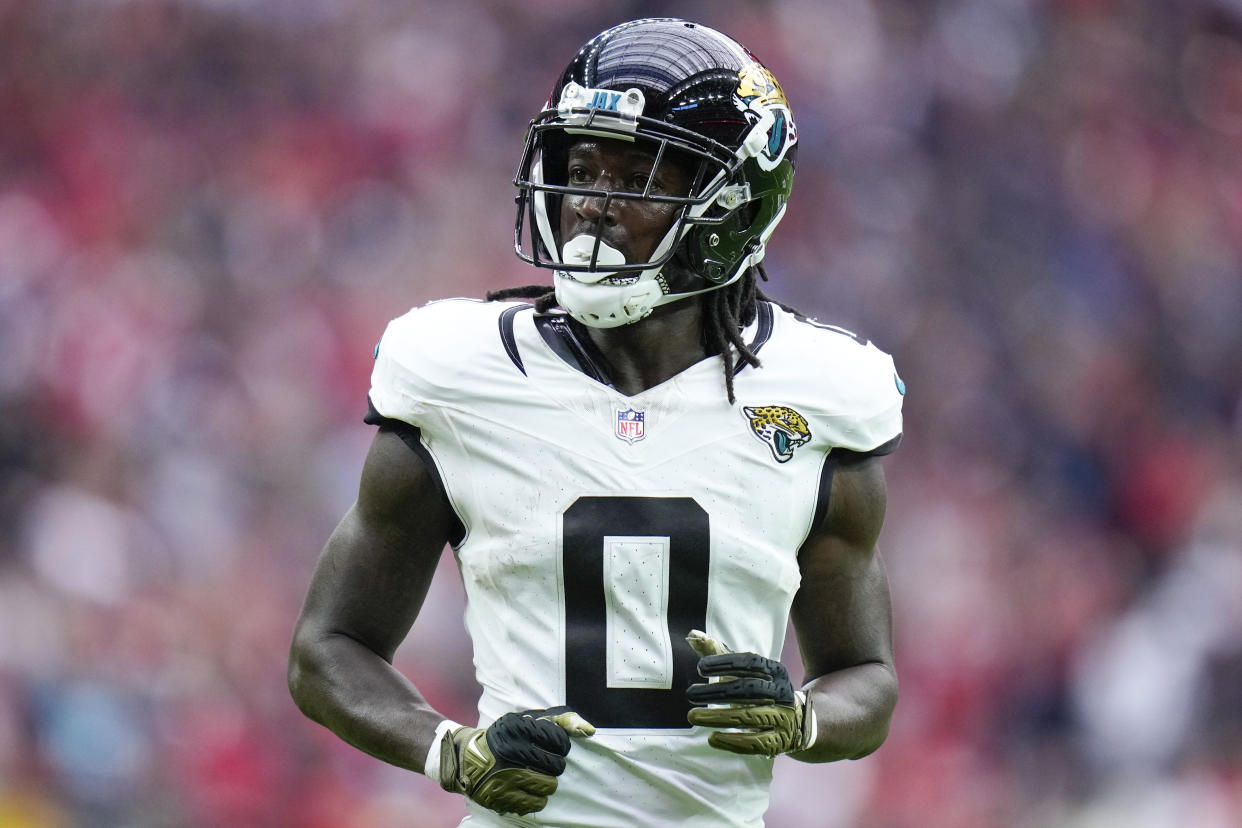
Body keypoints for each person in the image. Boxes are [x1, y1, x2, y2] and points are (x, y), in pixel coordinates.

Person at [288, 17, 905, 827]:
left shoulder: (819, 394)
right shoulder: (461, 375)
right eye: (581, 167)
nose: (590, 203)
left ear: (731, 206)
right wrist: (451, 751)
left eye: (638, 176)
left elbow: (867, 677)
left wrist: (802, 718)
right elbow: (326, 650)